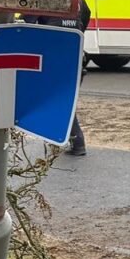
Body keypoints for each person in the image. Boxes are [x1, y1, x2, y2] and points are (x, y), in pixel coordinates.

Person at [21, 11, 86, 155]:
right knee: (64, 101)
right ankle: (69, 140)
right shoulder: (79, 2)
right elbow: (83, 25)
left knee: (58, 101)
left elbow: (24, 27)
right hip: (76, 61)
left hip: (55, 62)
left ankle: (77, 142)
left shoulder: (40, 4)